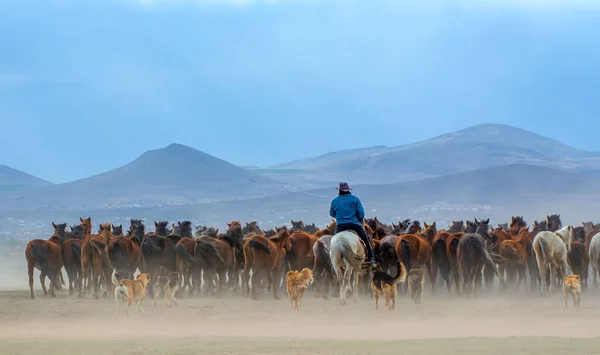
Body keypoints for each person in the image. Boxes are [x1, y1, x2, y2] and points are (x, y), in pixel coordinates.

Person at [329, 182, 378, 268]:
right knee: (365, 239)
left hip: (340, 226)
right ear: (348, 190)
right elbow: (361, 213)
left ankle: (332, 264)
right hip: (354, 225)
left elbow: (332, 213)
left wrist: (340, 217)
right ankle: (372, 259)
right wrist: (360, 220)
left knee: (333, 242)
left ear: (339, 191)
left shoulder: (335, 201)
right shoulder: (355, 199)